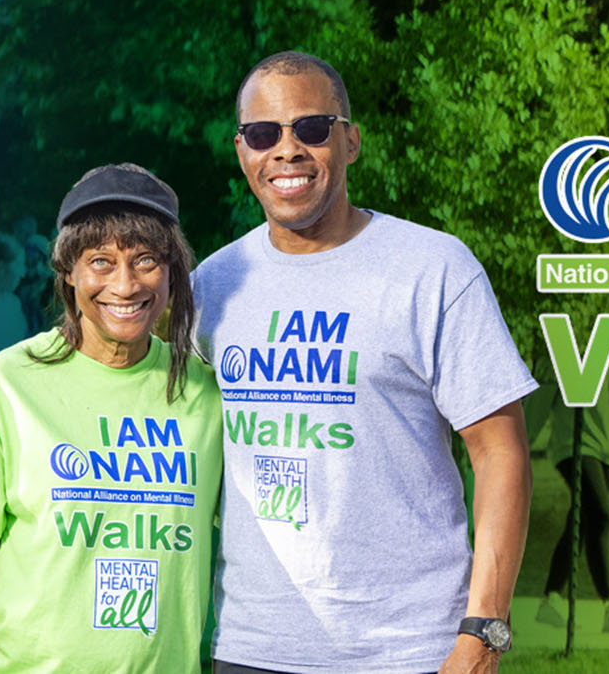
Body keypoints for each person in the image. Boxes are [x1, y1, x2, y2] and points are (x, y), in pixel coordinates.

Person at [192, 52, 536, 673]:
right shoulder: (212, 285)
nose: (287, 150)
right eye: (264, 134)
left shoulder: (434, 269)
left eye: (313, 129)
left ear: (350, 141)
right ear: (241, 150)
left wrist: (483, 630)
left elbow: (500, 452)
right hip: (252, 648)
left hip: (410, 651)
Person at [0, 163, 221, 672]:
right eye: (101, 262)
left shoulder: (207, 396)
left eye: (147, 260)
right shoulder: (3, 387)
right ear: (68, 270)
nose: (126, 285)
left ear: (173, 269)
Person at [531, 378, 609, 633]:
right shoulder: (560, 349)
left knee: (582, 521)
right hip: (574, 444)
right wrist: (515, 446)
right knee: (601, 515)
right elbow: (538, 405)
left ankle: (551, 598)